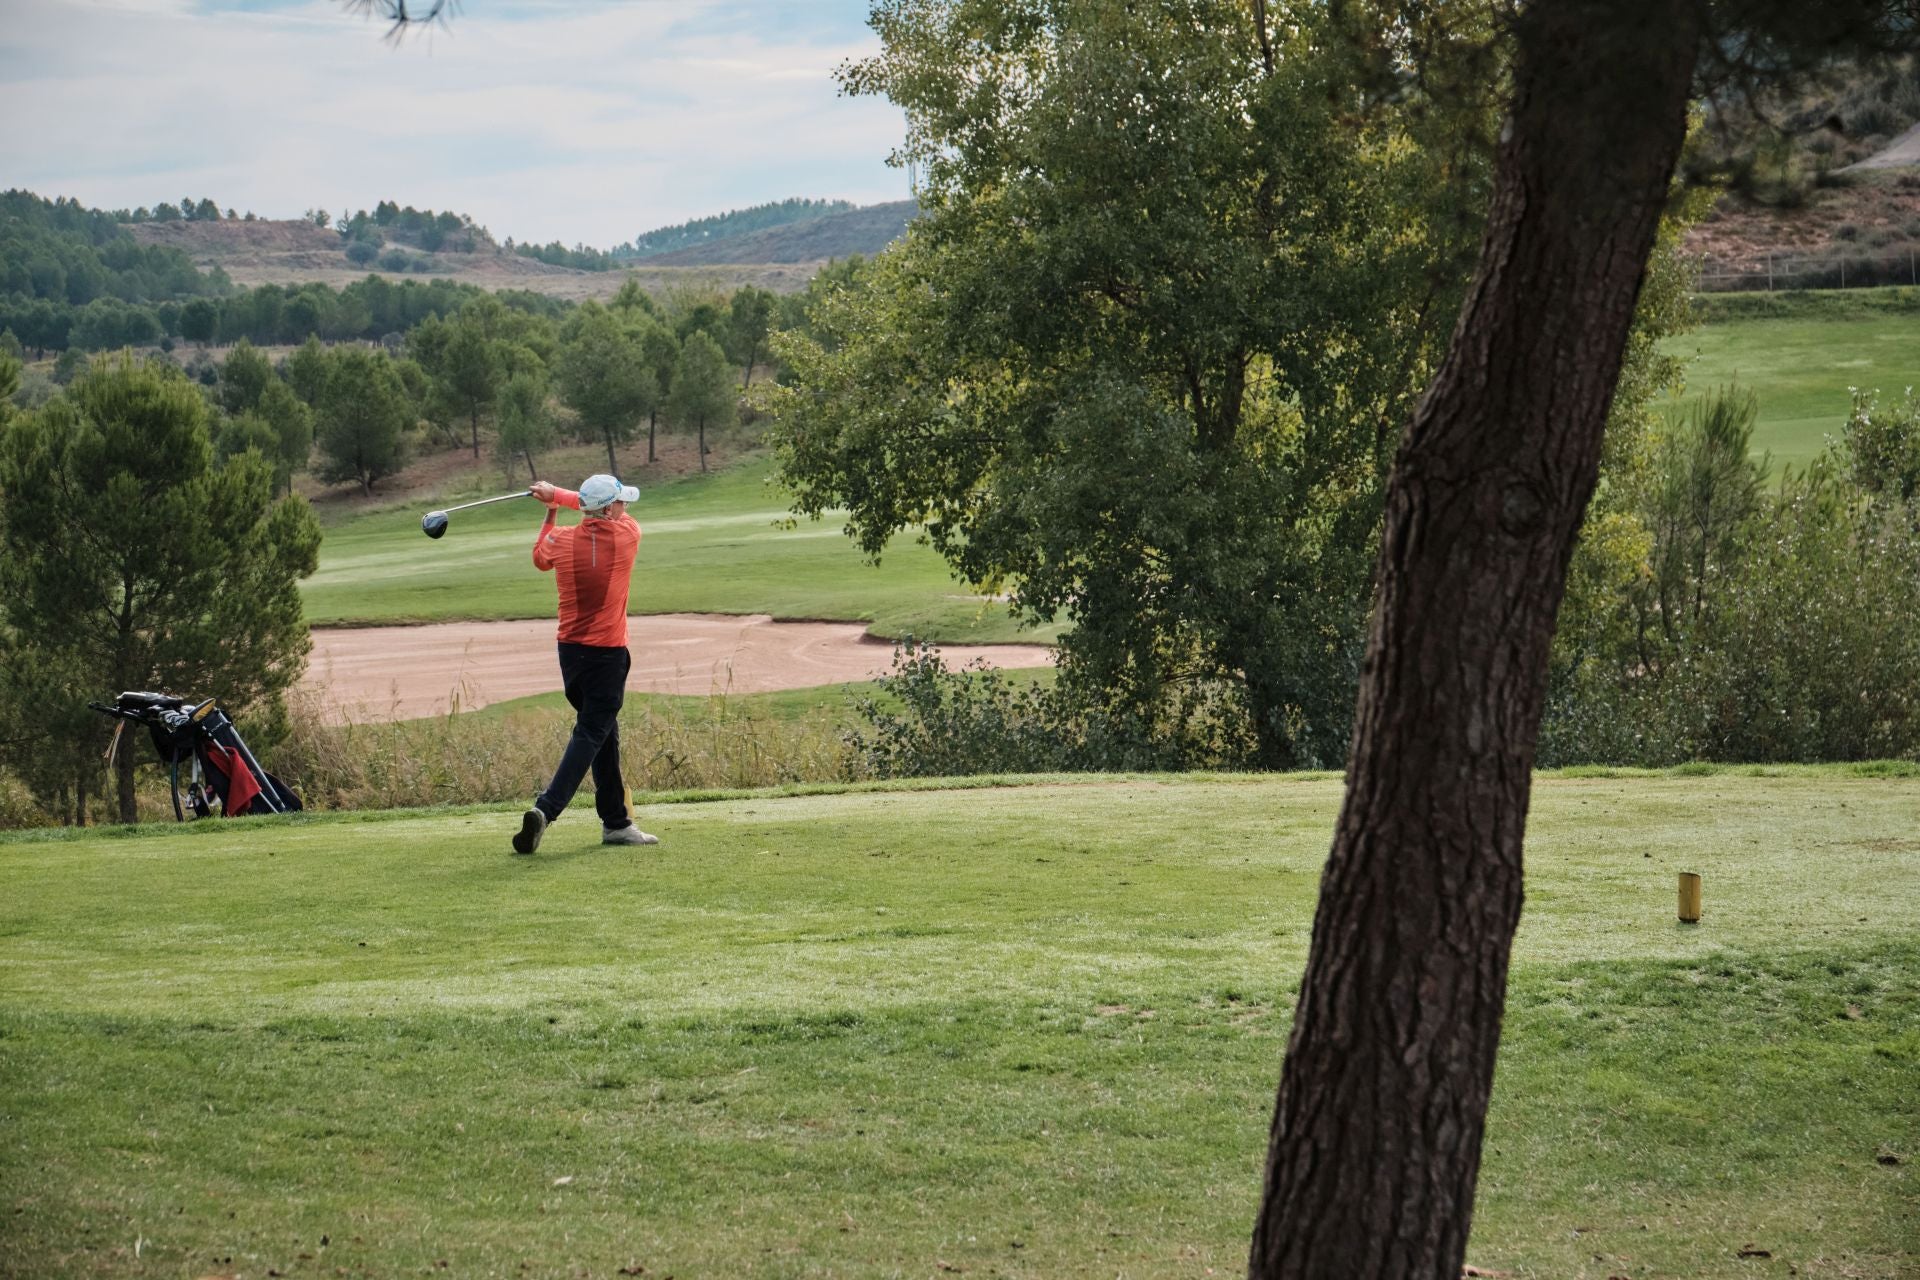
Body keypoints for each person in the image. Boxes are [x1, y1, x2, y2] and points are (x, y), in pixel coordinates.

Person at [511, 473, 659, 854]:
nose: (626, 507)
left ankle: (616, 823)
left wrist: (551, 509)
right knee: (592, 732)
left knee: (604, 734)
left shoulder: (560, 541)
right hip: (608, 656)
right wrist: (559, 495)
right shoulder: (627, 535)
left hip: (570, 655)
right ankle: (545, 810)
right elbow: (595, 510)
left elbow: (539, 558)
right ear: (610, 509)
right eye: (621, 502)